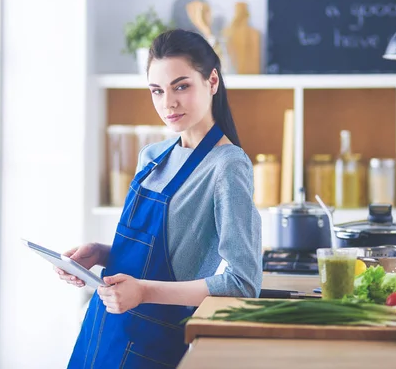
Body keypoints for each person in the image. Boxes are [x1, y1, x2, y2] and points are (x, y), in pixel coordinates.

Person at [56, 29, 263, 368]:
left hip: (153, 343)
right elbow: (158, 257)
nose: (168, 103)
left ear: (212, 81)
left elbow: (243, 283)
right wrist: (100, 253)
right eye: (157, 90)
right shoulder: (153, 156)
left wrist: (143, 292)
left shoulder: (227, 165)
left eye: (181, 86)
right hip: (102, 326)